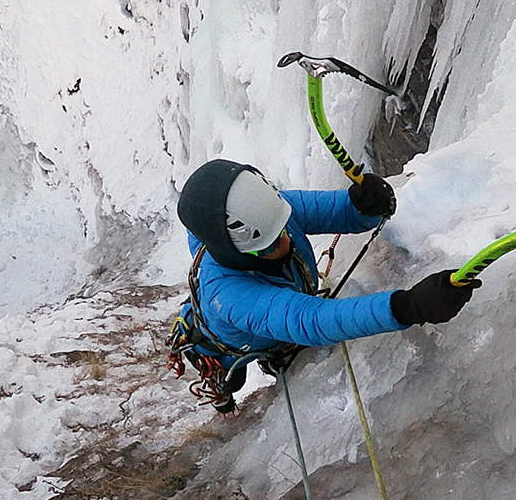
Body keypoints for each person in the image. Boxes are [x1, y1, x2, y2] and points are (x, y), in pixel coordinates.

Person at [172, 158, 473, 413]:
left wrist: (365, 205)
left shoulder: (270, 215)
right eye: (273, 242)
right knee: (230, 382)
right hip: (224, 345)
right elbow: (311, 320)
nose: (287, 239)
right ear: (235, 253)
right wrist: (408, 307)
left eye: (282, 229)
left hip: (260, 317)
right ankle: (222, 401)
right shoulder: (228, 294)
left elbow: (338, 211)